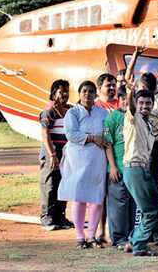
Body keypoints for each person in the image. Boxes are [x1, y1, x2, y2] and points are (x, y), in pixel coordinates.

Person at [125, 46, 158, 246]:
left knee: (152, 194)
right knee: (144, 198)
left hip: (153, 151)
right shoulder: (136, 112)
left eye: (147, 86)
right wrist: (135, 57)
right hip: (137, 157)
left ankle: (154, 233)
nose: (145, 105)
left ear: (154, 89)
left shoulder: (157, 107)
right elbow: (129, 95)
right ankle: (139, 237)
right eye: (141, 86)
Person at [58, 80, 110, 249]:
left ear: (96, 94)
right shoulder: (72, 113)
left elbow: (108, 133)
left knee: (96, 198)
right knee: (79, 197)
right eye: (84, 91)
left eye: (91, 91)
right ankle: (80, 236)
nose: (87, 94)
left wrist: (104, 140)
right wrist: (93, 138)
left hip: (97, 159)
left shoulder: (103, 113)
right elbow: (71, 135)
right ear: (79, 95)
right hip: (77, 159)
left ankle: (91, 236)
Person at [122, 80, 158, 256]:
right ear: (137, 105)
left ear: (152, 105)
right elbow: (130, 108)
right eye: (142, 103)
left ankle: (133, 240)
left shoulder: (147, 123)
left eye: (148, 103)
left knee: (154, 207)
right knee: (151, 210)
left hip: (142, 170)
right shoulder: (134, 117)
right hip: (135, 169)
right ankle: (139, 244)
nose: (145, 106)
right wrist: (131, 93)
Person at [104, 85, 136, 251]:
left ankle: (132, 236)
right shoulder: (112, 118)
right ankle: (118, 238)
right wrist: (113, 167)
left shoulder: (136, 116)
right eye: (122, 98)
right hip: (118, 169)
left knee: (133, 204)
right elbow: (108, 144)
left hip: (134, 169)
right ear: (118, 99)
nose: (125, 101)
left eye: (128, 98)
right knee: (118, 205)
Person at [39, 79, 73, 231]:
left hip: (65, 154)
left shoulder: (70, 110)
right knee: (50, 185)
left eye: (66, 91)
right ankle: (47, 218)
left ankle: (61, 217)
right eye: (61, 91)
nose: (65, 94)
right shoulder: (49, 111)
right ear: (54, 94)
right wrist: (52, 155)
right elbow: (45, 135)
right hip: (51, 153)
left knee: (63, 185)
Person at [94, 73, 119, 243]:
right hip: (99, 158)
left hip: (120, 157)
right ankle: (102, 232)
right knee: (100, 196)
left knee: (119, 196)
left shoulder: (121, 104)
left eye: (113, 85)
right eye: (108, 85)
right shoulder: (95, 107)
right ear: (99, 88)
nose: (111, 88)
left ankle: (120, 232)